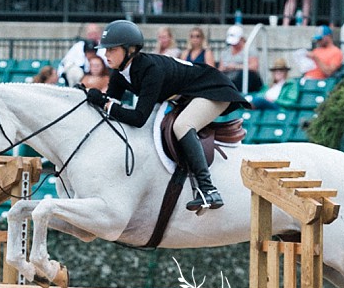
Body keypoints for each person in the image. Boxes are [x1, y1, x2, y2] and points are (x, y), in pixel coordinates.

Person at [89, 20, 249, 212]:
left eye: (111, 50)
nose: (106, 55)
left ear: (130, 49)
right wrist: (94, 98)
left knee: (182, 125)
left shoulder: (150, 70)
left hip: (211, 89)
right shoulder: (119, 73)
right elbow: (111, 104)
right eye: (105, 50)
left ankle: (208, 189)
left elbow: (138, 118)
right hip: (187, 94)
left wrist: (104, 103)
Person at [219, 24, 261, 93]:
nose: (234, 45)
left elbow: (254, 67)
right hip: (229, 77)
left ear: (241, 39)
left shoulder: (249, 50)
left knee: (245, 75)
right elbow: (221, 68)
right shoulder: (225, 52)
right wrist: (226, 68)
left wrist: (235, 67)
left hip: (246, 78)